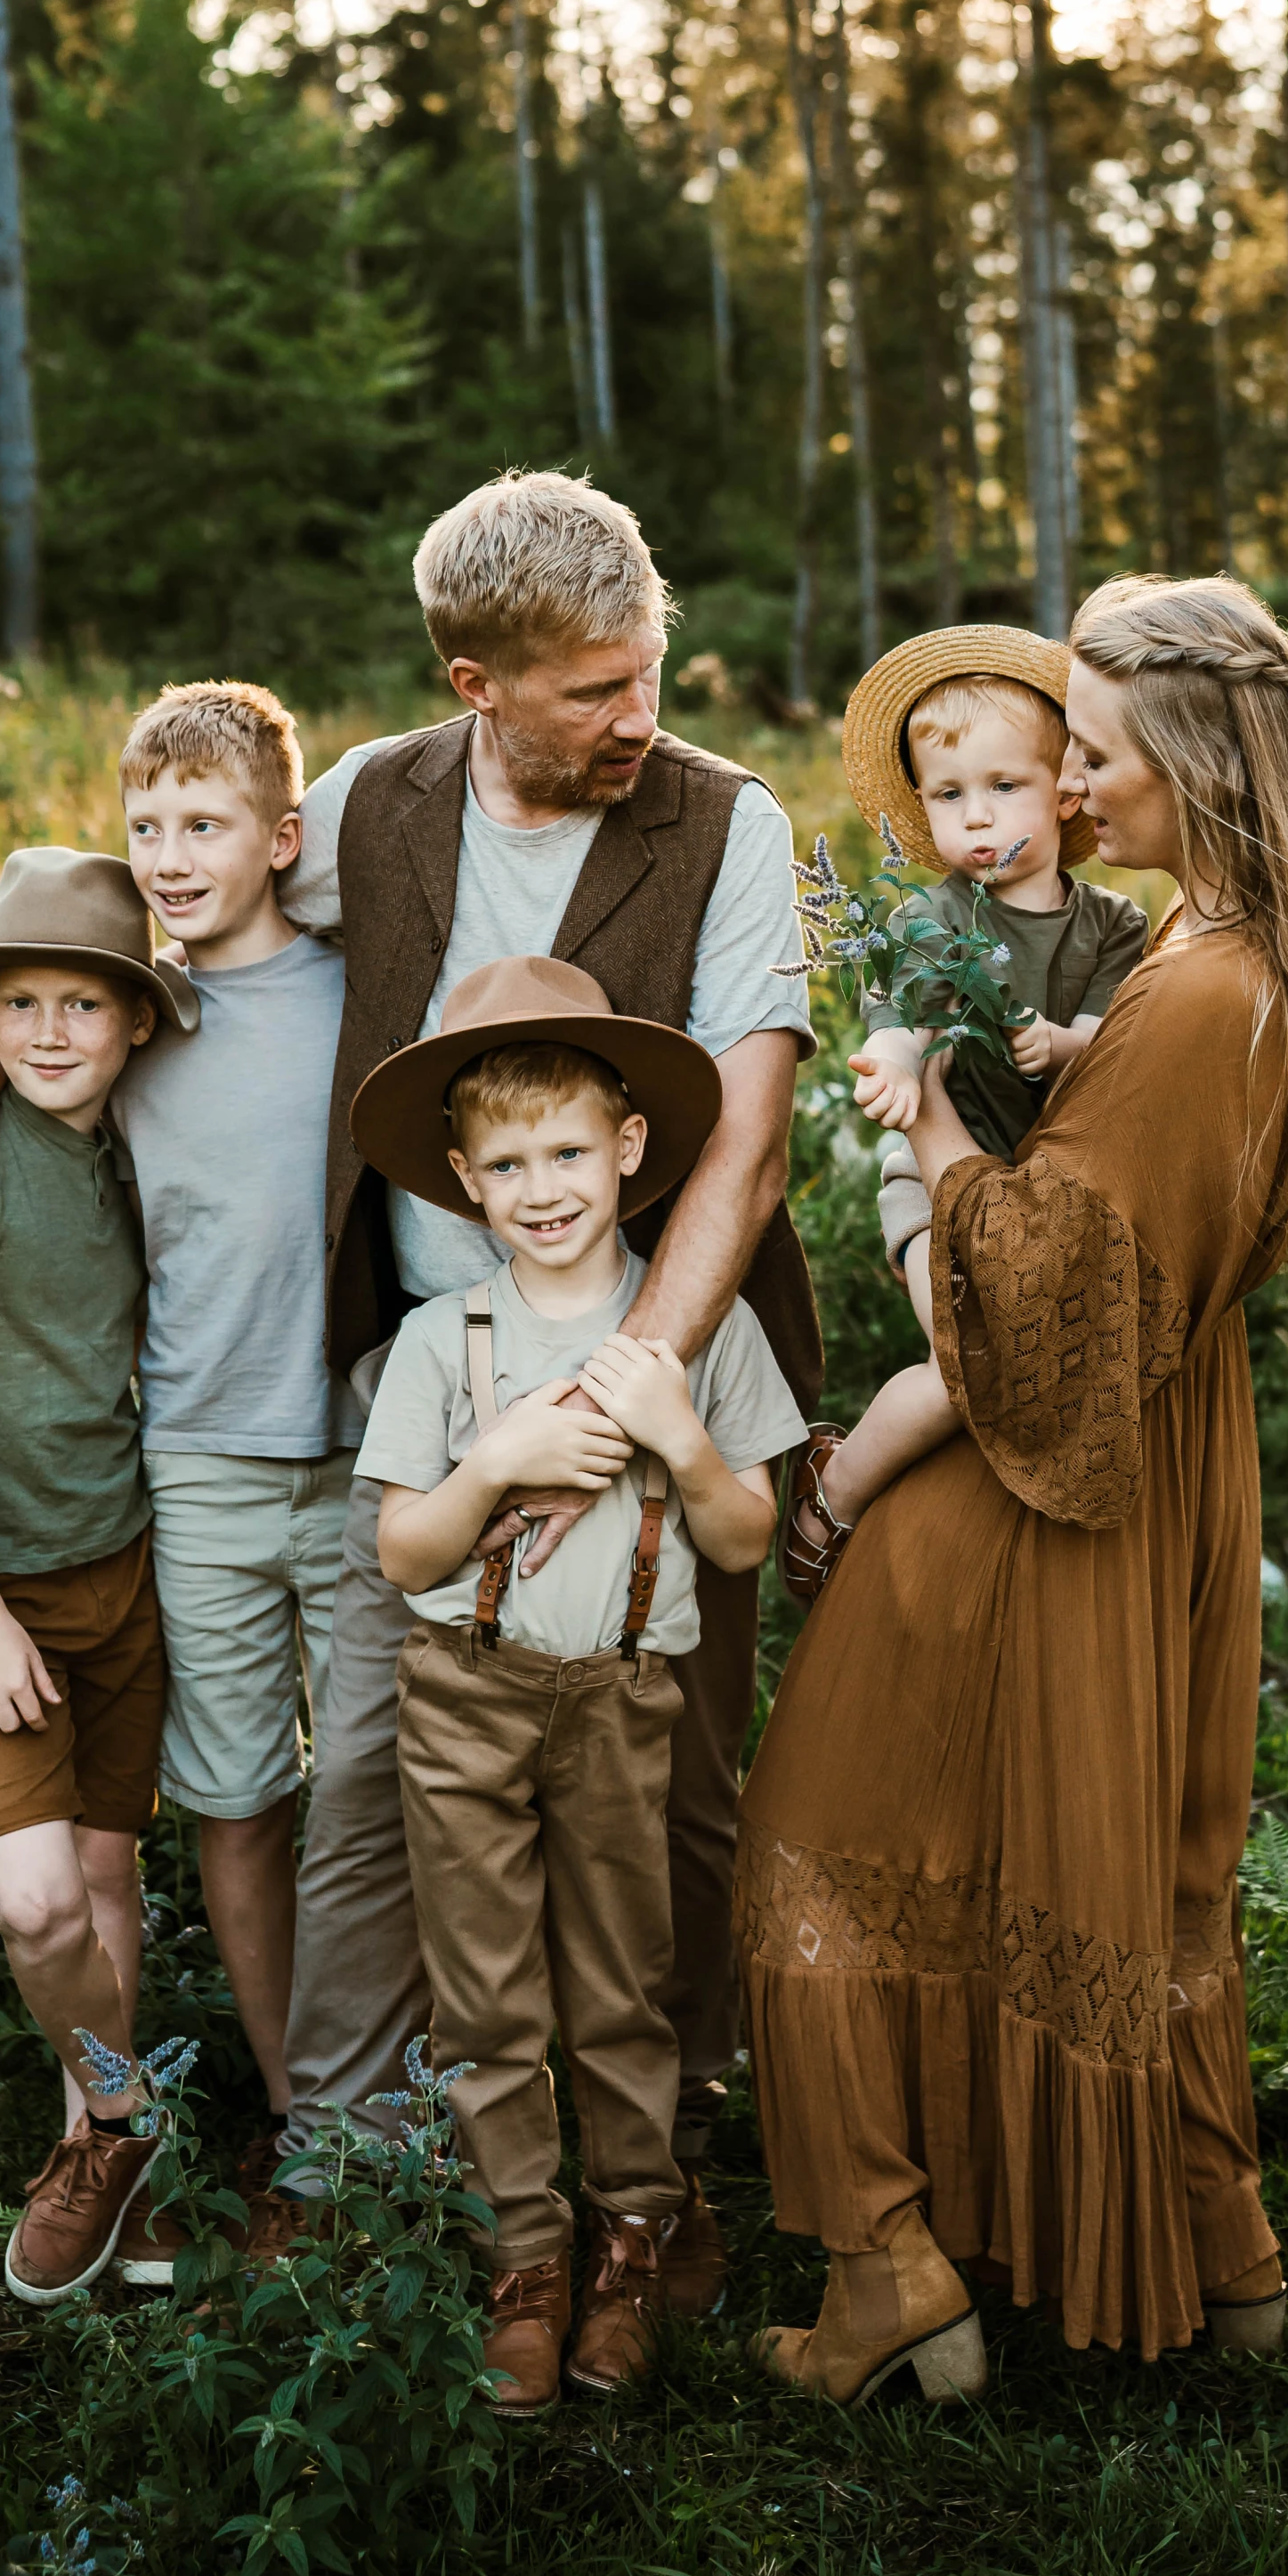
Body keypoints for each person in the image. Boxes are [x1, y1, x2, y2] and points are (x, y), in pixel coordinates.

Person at [735, 573, 1288, 2400]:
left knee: (816, 1834)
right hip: (1147, 1450)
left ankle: (890, 2265)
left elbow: (1031, 1314)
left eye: (1100, 751)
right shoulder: (1232, 956)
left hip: (1033, 1473)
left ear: (1185, 755)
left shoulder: (1195, 990)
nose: (1077, 784)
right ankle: (1209, 2243)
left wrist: (934, 1137)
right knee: (1115, 1862)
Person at [278, 469, 819, 2313]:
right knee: (371, 1774)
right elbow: (182, 918)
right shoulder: (369, 799)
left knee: (665, 1788)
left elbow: (741, 1146)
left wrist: (627, 1394)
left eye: (646, 666)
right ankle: (357, 2147)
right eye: (593, 688)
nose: (637, 714)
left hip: (659, 1367)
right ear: (472, 679)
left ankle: (653, 2179)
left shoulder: (727, 823)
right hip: (431, 1376)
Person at [0, 681, 384, 2249]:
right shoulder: (108, 1038)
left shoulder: (358, 984)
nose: (169, 852)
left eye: (202, 824)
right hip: (196, 1477)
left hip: (362, 1457)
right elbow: (38, 1063)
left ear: (278, 839)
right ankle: (204, 2117)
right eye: (145, 826)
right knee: (227, 1807)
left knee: (360, 1804)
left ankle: (375, 2119)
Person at [351, 959, 802, 2412]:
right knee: (483, 1997)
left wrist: (675, 1429)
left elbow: (743, 1540)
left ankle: (629, 2238)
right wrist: (491, 1463)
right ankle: (524, 2260)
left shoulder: (701, 1335)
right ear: (464, 1182)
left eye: (566, 1151)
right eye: (506, 1162)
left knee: (620, 1988)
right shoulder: (444, 1342)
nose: (540, 1185)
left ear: (626, 1148)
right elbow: (401, 1546)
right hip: (464, 1692)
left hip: (621, 1695)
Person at [0, 846, 201, 2304]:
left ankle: (96, 2139)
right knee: (34, 1902)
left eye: (83, 1001)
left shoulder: (138, 1140)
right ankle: (124, 2108)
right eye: (17, 1002)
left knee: (109, 1869)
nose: (49, 1030)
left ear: (134, 1022)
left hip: (120, 1566)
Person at [781, 627, 1149, 1592]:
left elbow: (1120, 1039)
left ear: (1062, 790)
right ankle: (834, 1488)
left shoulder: (1112, 924)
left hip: (1047, 1196)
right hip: (931, 1189)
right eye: (949, 796)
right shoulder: (927, 917)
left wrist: (1066, 1043)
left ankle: (984, 1546)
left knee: (1034, 1378)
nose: (976, 820)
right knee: (970, 1369)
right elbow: (897, 1017)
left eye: (1003, 789)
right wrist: (899, 1065)